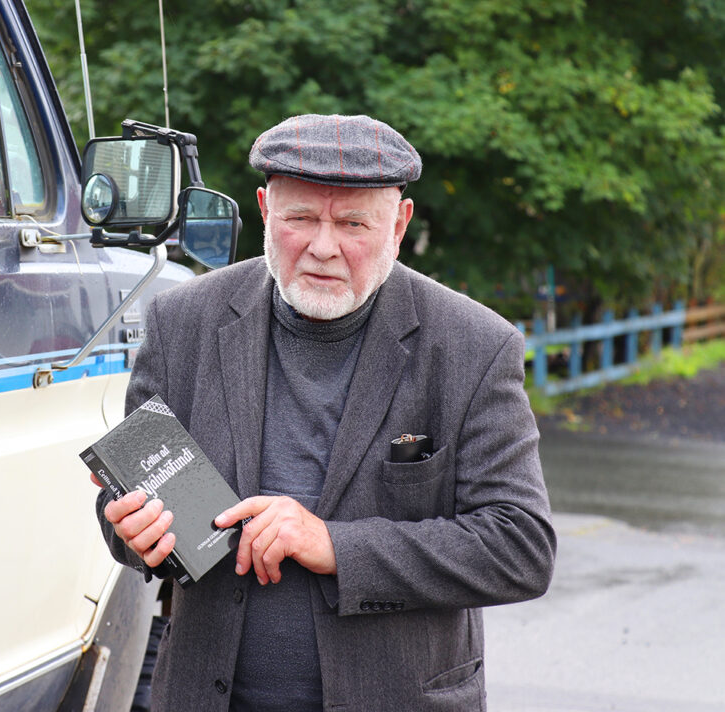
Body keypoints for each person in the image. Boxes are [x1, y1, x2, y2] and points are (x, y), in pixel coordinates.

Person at [94, 114, 556, 711]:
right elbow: (125, 512)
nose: (322, 246)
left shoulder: (472, 346)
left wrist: (334, 544)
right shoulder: (182, 323)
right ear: (265, 211)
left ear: (399, 225)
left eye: (353, 223)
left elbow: (521, 547)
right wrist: (128, 528)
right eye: (300, 218)